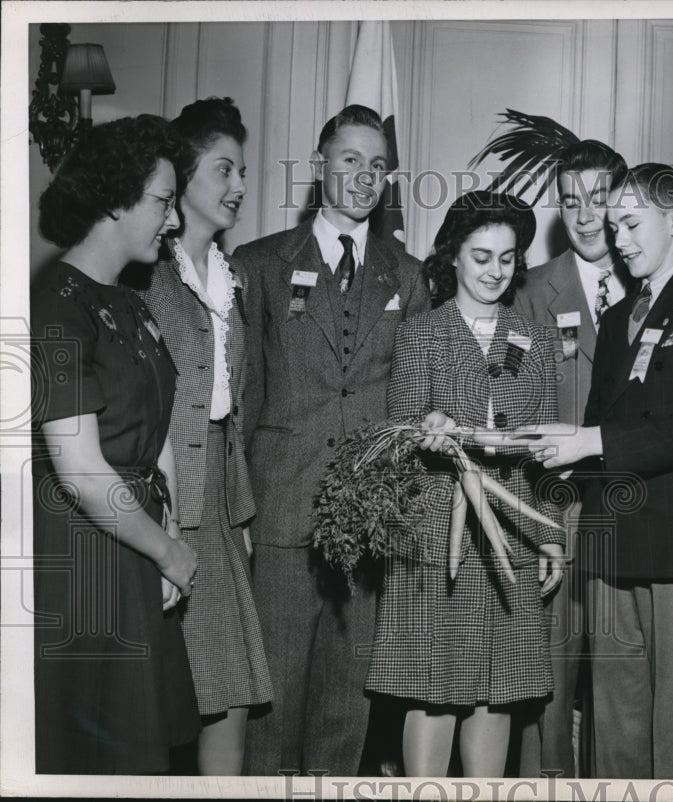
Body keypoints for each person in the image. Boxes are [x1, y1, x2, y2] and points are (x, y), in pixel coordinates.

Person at [508, 164, 673, 778]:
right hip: (610, 537)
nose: (618, 239)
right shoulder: (618, 320)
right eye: (615, 226)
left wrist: (589, 440)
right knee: (613, 722)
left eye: (632, 224)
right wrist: (558, 446)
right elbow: (596, 422)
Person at [235, 104, 431, 776]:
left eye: (377, 165)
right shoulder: (258, 264)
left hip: (369, 520)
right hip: (280, 510)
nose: (363, 176)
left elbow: (415, 400)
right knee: (274, 696)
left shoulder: (406, 274)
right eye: (349, 159)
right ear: (318, 165)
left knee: (346, 704)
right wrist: (239, 510)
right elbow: (242, 396)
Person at [366, 190, 564, 777]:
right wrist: (423, 430)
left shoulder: (536, 338)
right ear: (452, 256)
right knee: (434, 690)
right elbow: (396, 438)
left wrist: (549, 535)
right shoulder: (421, 334)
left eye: (507, 258)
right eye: (481, 256)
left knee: (496, 690)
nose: (494, 271)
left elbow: (544, 454)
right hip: (433, 534)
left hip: (512, 535)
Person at [31, 115, 200, 773]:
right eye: (162, 201)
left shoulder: (130, 301)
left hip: (139, 544)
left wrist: (168, 540)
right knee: (103, 761)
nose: (174, 220)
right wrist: (169, 551)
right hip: (87, 564)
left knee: (147, 759)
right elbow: (78, 469)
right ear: (113, 200)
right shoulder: (52, 307)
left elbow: (158, 432)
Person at [125, 97, 272, 775]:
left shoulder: (229, 276)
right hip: (163, 498)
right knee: (185, 694)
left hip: (217, 501)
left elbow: (232, 408)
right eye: (223, 170)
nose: (238, 186)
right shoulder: (147, 278)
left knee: (234, 690)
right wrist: (161, 521)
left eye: (241, 171)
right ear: (181, 179)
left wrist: (236, 511)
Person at [511, 139, 628, 778]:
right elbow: (516, 409)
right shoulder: (533, 291)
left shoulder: (652, 281)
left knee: (621, 683)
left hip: (636, 509)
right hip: (557, 510)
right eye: (570, 200)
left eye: (599, 197)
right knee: (548, 684)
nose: (585, 214)